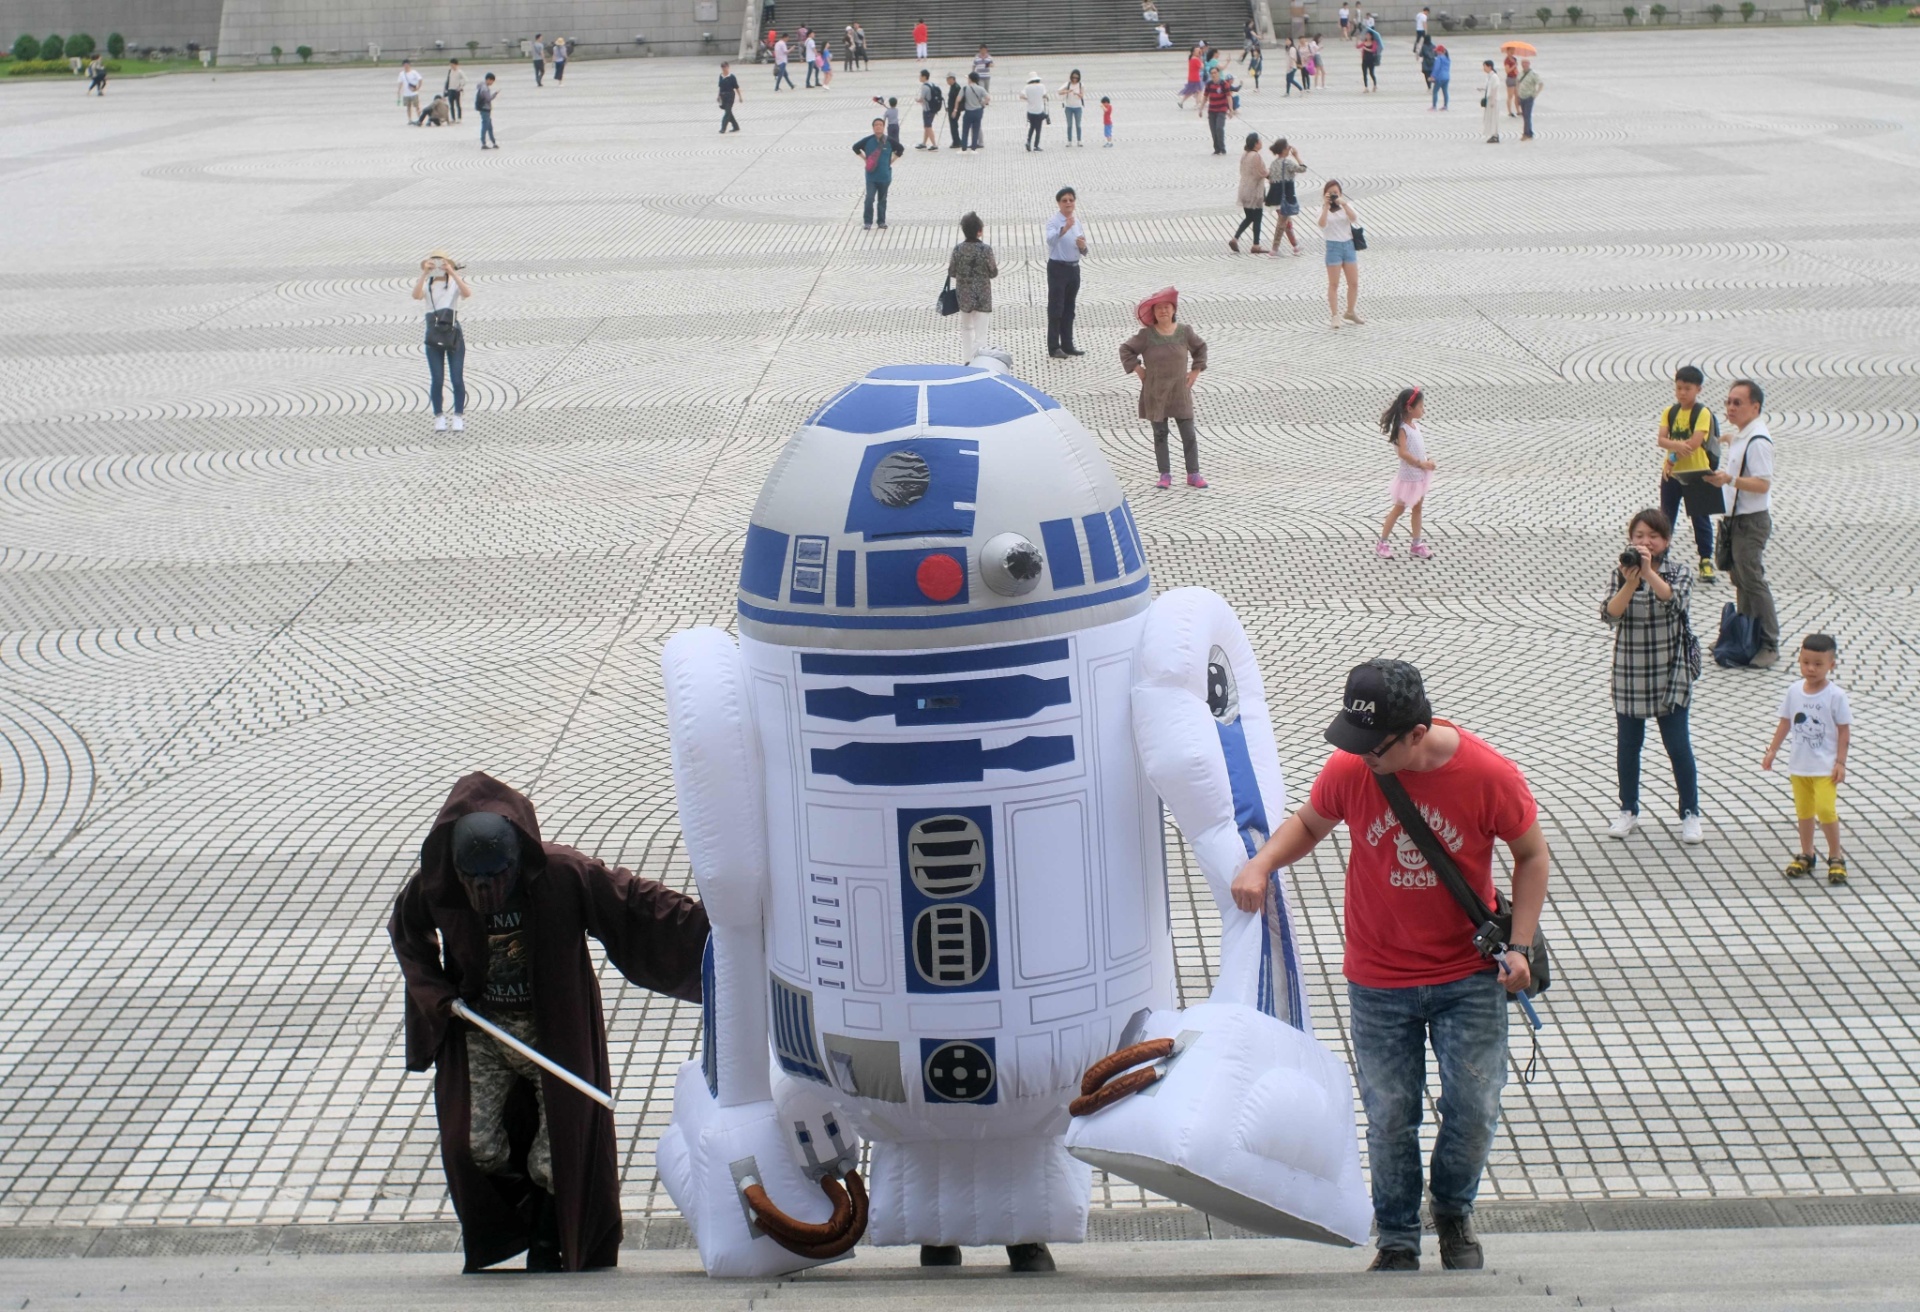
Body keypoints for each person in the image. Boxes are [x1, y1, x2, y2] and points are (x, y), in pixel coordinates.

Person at [1229, 659, 1548, 1275]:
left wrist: (1521, 945)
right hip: (1378, 976)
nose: (1360, 757)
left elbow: (1532, 855)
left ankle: (1452, 1209)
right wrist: (1262, 864)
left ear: (1416, 735)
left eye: (1374, 747)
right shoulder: (1354, 767)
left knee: (1475, 1105)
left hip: (1468, 974)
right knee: (1388, 1114)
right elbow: (1309, 823)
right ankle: (1398, 1235)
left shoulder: (1487, 774)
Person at [389, 772, 709, 1273]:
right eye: (474, 883)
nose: (485, 892)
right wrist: (438, 995)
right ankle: (515, 1220)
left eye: (497, 880)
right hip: (482, 1028)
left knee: (561, 1146)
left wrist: (719, 932)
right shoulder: (437, 886)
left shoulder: (562, 873)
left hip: (551, 1031)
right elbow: (407, 933)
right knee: (471, 1145)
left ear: (518, 862)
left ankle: (547, 1237)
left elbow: (635, 906)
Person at [1604, 509, 1703, 843]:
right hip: (1630, 672)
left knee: (1678, 746)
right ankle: (1627, 809)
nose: (1646, 542)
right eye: (1639, 535)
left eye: (1653, 536)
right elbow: (1610, 615)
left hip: (1669, 673)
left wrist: (1648, 573)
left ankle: (1690, 812)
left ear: (1667, 541)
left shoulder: (1678, 572)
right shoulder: (1622, 573)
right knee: (1629, 747)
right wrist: (1631, 583)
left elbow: (1675, 603)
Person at [1763, 634, 1851, 884]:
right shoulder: (1794, 692)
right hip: (1799, 766)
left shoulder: (1836, 696)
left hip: (1825, 768)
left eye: (1818, 664)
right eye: (1806, 662)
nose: (1811, 669)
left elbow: (1844, 730)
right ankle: (1807, 853)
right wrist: (1772, 750)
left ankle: (1836, 856)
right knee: (1803, 812)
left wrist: (1840, 762)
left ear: (1831, 665)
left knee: (1825, 810)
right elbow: (1786, 722)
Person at [1705, 379, 1777, 666]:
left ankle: (1769, 643)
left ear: (1755, 407)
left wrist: (1730, 479)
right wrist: (1729, 441)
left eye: (1738, 402)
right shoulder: (1745, 435)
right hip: (1734, 519)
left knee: (1752, 580)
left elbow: (1762, 484)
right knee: (1739, 578)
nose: (1730, 407)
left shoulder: (1759, 441)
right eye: (1728, 402)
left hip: (1751, 521)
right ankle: (1743, 634)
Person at [1121, 288, 1209, 489]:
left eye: (1167, 307)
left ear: (1173, 310)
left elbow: (1200, 348)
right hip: (1155, 392)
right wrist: (1138, 369)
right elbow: (1125, 349)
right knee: (1160, 434)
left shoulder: (1184, 331)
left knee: (1188, 434)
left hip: (1180, 391)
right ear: (1153, 313)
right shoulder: (1146, 335)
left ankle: (1193, 473)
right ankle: (1164, 474)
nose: (1163, 311)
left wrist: (1195, 371)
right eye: (1159, 308)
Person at [1656, 365, 1720, 580]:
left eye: (1688, 388)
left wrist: (1673, 456)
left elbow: (1694, 443)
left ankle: (1705, 559)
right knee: (1666, 518)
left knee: (1701, 518)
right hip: (1671, 476)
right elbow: (1661, 439)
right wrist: (1675, 450)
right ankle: (1662, 557)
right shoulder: (1670, 412)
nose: (1682, 393)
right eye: (1679, 388)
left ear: (1699, 389)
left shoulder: (1703, 413)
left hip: (1696, 473)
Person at [413, 253, 471, 430]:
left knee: (457, 377)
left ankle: (458, 416)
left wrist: (452, 273)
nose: (438, 267)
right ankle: (439, 416)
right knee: (437, 378)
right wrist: (424, 274)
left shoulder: (452, 282)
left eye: (441, 264)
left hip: (452, 332)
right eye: (434, 264)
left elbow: (467, 293)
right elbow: (415, 295)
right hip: (433, 333)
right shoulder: (428, 284)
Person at [948, 211, 999, 362]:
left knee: (966, 329)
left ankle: (967, 360)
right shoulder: (986, 250)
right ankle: (978, 361)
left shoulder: (958, 249)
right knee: (981, 334)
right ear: (979, 231)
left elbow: (952, 271)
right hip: (982, 297)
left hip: (963, 297)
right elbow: (993, 272)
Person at [1044, 187, 1087, 358]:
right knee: (1056, 309)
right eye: (1064, 200)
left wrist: (1083, 247)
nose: (1068, 203)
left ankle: (1068, 344)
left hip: (1073, 268)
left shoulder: (1077, 221)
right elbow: (1050, 240)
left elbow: (1083, 246)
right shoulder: (1054, 221)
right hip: (1058, 268)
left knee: (1070, 308)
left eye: (1071, 200)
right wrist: (1064, 228)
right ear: (1059, 203)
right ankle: (1054, 347)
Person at [1319, 179, 1363, 329]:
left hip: (1348, 245)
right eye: (1330, 193)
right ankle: (1334, 315)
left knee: (1354, 283)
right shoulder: (1322, 208)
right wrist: (1326, 206)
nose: (1333, 196)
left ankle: (1350, 312)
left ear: (1340, 193)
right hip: (1333, 247)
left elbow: (1354, 218)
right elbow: (1322, 224)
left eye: (1335, 193)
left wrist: (1343, 204)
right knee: (1334, 284)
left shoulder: (1346, 206)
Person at [853, 116, 904, 230]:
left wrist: (891, 161)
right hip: (871, 176)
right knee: (869, 198)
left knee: (882, 199)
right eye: (876, 125)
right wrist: (865, 159)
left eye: (880, 125)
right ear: (873, 127)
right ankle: (867, 222)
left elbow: (900, 149)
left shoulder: (889, 141)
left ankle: (881, 221)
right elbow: (855, 147)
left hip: (885, 176)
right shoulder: (867, 140)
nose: (878, 127)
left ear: (883, 127)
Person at [1230, 132, 1270, 254]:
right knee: (1257, 217)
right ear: (1256, 143)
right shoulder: (1256, 156)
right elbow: (1262, 172)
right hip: (1254, 192)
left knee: (1249, 217)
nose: (1261, 142)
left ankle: (1235, 238)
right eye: (1260, 141)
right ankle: (1256, 245)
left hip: (1244, 189)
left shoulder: (1245, 154)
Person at [1265, 138, 1306, 255]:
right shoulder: (1287, 163)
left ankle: (1295, 246)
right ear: (1283, 150)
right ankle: (1274, 249)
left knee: (1286, 221)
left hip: (1275, 196)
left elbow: (1270, 178)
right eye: (1288, 147)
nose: (1289, 149)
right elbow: (1303, 169)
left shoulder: (1273, 163)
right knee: (1282, 222)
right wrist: (1297, 156)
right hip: (1285, 197)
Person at [1203, 66, 1234, 154]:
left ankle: (1222, 147)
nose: (1213, 75)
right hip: (1212, 110)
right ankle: (1217, 149)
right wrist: (1201, 108)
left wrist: (1231, 109)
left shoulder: (1224, 84)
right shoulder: (1209, 84)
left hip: (1221, 109)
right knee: (1213, 130)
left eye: (1215, 73)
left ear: (1218, 73)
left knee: (1219, 128)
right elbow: (1205, 97)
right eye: (1212, 73)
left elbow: (1229, 97)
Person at [960, 73, 988, 152]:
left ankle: (965, 146)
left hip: (969, 111)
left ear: (970, 79)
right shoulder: (980, 88)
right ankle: (974, 146)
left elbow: (958, 99)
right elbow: (988, 98)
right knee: (976, 128)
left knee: (966, 130)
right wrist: (982, 103)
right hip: (978, 110)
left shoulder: (966, 88)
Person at [1022, 72, 1050, 151]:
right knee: (1038, 129)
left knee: (1031, 127)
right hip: (1039, 111)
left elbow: (1021, 95)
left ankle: (1028, 141)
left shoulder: (1027, 87)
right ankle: (1036, 146)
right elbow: (1045, 95)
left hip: (1030, 112)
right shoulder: (1041, 86)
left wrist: (1028, 99)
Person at [1516, 59, 1541, 140]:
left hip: (1529, 97)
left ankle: (1526, 133)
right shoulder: (1520, 74)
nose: (1524, 65)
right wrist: (1517, 95)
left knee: (1527, 115)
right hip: (1521, 96)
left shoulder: (1533, 74)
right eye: (1523, 63)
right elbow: (1517, 83)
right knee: (1525, 115)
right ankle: (1529, 132)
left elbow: (1540, 83)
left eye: (1526, 63)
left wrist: (1536, 94)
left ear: (1529, 64)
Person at [1059, 70, 1086, 146]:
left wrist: (1077, 93)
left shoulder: (1081, 85)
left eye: (1076, 78)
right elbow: (1059, 92)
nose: (1075, 79)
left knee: (1078, 125)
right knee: (1069, 125)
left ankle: (1079, 140)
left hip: (1078, 107)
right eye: (1073, 77)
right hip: (1068, 107)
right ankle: (1069, 140)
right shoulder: (1067, 84)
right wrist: (1067, 91)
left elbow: (1082, 95)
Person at [917, 70, 942, 149]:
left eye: (920, 76)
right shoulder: (932, 84)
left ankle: (934, 144)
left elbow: (922, 99)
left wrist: (917, 100)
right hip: (933, 108)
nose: (919, 78)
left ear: (924, 77)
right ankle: (924, 143)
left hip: (927, 109)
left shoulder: (924, 86)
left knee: (928, 126)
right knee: (927, 126)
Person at [475, 73, 499, 148]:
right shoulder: (484, 88)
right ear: (488, 80)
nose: (492, 83)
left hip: (485, 109)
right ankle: (484, 143)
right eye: (492, 81)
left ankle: (493, 142)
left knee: (489, 126)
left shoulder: (482, 87)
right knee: (485, 126)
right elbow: (488, 99)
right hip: (485, 109)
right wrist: (494, 94)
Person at [718, 61, 743, 132]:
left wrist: (740, 97)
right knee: (728, 112)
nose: (724, 69)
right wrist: (718, 96)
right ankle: (736, 126)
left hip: (730, 96)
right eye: (722, 67)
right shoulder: (721, 76)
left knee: (727, 112)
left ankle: (723, 128)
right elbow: (720, 87)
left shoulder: (732, 77)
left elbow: (736, 87)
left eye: (725, 67)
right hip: (723, 96)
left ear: (728, 67)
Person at [1480, 60, 1502, 143]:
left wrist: (1493, 100)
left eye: (1484, 66)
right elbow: (1490, 87)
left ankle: (1495, 135)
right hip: (1490, 99)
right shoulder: (1489, 76)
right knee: (1490, 117)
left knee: (1494, 118)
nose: (1484, 68)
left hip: (1494, 100)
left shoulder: (1494, 76)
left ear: (1489, 66)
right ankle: (1493, 134)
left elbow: (1495, 88)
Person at [945, 73, 965, 148]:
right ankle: (956, 140)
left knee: (954, 125)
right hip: (952, 109)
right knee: (953, 125)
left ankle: (956, 142)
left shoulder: (956, 87)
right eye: (947, 79)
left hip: (955, 110)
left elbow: (958, 100)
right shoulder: (952, 87)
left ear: (953, 79)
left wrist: (955, 110)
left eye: (949, 79)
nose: (947, 81)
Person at [1359, 26, 1381, 92]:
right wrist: (1357, 40)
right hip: (1364, 60)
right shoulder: (1364, 43)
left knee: (1371, 73)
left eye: (1368, 35)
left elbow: (1373, 50)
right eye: (1366, 35)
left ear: (1371, 36)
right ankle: (1366, 87)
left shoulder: (1374, 43)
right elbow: (1357, 46)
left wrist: (1366, 48)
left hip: (1371, 60)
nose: (1367, 36)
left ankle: (1375, 85)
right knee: (1364, 74)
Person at [1429, 45, 1450, 109]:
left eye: (1437, 51)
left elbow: (1436, 68)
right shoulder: (1447, 58)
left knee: (1435, 91)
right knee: (1445, 92)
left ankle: (1434, 106)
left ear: (1440, 51)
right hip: (1447, 77)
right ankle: (1445, 106)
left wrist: (1432, 76)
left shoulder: (1439, 58)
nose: (1436, 52)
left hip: (1440, 77)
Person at [1504, 50, 1520, 116]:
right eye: (1511, 51)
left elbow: (1516, 70)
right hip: (1510, 78)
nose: (1512, 52)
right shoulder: (1507, 60)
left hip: (1516, 78)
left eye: (1513, 51)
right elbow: (1507, 71)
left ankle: (1518, 110)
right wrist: (1514, 66)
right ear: (1507, 51)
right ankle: (1509, 111)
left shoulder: (1514, 59)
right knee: (1510, 96)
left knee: (1517, 95)